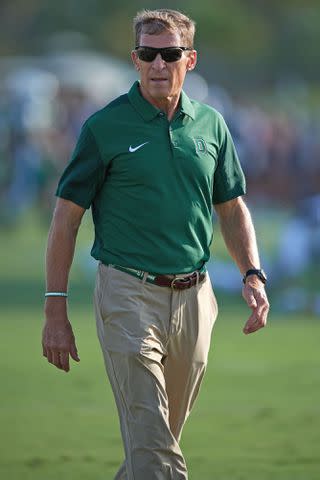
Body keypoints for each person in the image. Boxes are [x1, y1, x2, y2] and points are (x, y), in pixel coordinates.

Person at [42, 8, 269, 480]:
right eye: (148, 54)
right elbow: (65, 220)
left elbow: (232, 208)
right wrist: (55, 309)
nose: (158, 65)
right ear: (135, 59)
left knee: (156, 443)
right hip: (127, 294)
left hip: (195, 299)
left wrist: (252, 273)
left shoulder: (212, 126)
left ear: (191, 60)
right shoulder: (104, 128)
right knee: (155, 446)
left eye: (169, 54)